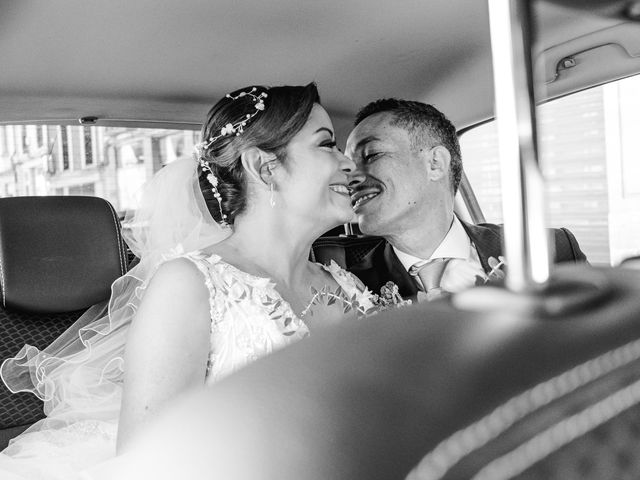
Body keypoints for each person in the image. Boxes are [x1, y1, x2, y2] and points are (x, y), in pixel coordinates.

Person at [0, 83, 379, 479]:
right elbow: (148, 463)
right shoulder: (190, 285)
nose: (348, 163)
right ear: (264, 167)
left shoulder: (345, 285)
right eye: (327, 145)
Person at [344, 98, 587, 301]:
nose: (351, 178)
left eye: (371, 154)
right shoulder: (349, 289)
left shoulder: (549, 250)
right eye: (347, 167)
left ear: (435, 163)